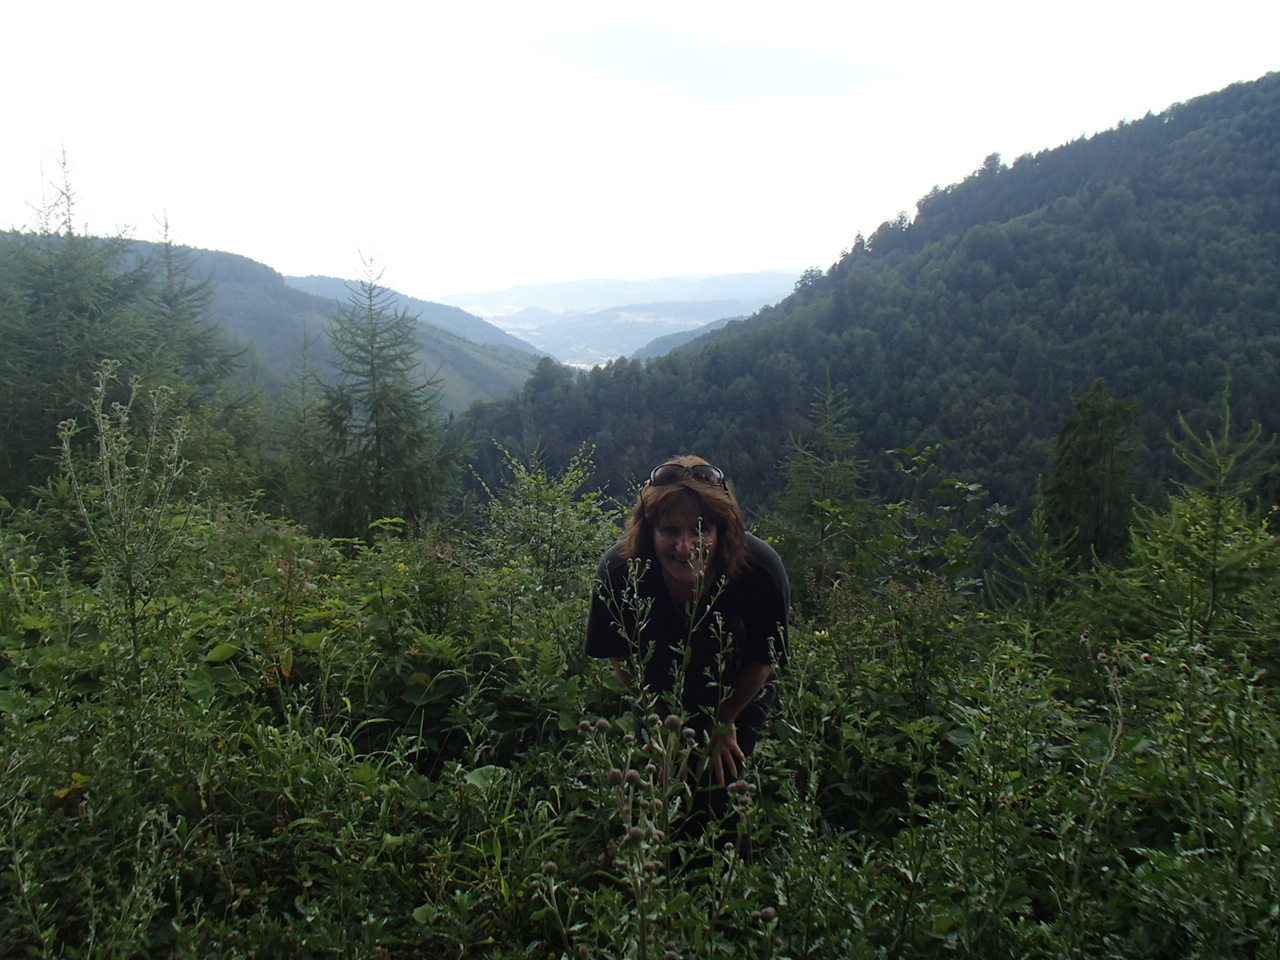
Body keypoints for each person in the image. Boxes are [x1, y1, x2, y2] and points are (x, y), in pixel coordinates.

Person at [585, 455, 790, 854]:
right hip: (659, 683)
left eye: (701, 531)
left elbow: (763, 659)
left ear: (722, 531)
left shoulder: (759, 570)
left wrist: (725, 721)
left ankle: (729, 881)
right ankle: (661, 874)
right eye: (669, 531)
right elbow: (622, 657)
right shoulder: (619, 572)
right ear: (649, 531)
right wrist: (662, 718)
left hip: (739, 682)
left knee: (722, 783)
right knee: (663, 779)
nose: (685, 546)